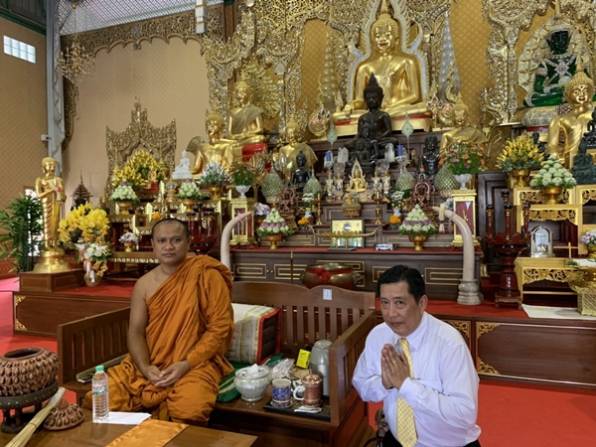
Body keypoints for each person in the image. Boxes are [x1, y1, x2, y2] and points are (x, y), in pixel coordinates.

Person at [89, 218, 234, 424]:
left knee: (189, 409)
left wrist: (186, 364)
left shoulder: (207, 274)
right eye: (162, 241)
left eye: (176, 240)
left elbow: (220, 328)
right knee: (101, 398)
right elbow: (135, 332)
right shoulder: (144, 284)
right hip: (151, 363)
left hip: (195, 363)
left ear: (188, 242)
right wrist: (146, 367)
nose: (168, 246)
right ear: (153, 245)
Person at [353, 265, 481, 447]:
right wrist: (384, 383)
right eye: (385, 303)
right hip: (397, 440)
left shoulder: (449, 344)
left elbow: (464, 414)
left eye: (399, 303)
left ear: (422, 304)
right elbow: (362, 385)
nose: (391, 314)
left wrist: (406, 385)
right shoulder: (379, 335)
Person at [547, 70, 595, 168]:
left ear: (590, 93)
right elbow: (553, 149)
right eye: (576, 92)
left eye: (585, 91)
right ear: (568, 95)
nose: (581, 94)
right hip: (570, 164)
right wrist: (558, 166)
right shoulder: (559, 120)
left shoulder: (594, 116)